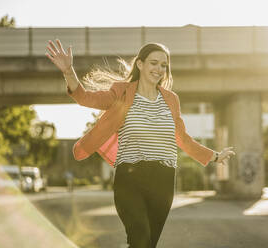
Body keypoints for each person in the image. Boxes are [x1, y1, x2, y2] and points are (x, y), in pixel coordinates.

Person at [46, 39, 235, 248]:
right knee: (141, 237)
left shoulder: (171, 99)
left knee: (147, 244)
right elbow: (85, 98)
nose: (159, 69)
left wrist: (215, 156)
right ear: (140, 64)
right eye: (154, 63)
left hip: (164, 179)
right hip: (130, 177)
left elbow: (182, 138)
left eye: (164, 65)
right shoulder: (122, 93)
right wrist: (68, 71)